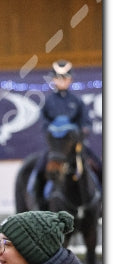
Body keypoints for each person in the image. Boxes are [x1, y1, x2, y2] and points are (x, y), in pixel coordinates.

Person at [28, 60, 102, 208]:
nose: (61, 81)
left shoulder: (76, 101)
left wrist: (79, 132)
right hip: (55, 148)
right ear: (53, 80)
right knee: (39, 169)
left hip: (75, 145)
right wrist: (53, 129)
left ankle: (100, 202)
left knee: (98, 165)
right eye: (58, 78)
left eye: (65, 78)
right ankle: (37, 201)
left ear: (70, 79)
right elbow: (43, 122)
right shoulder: (49, 101)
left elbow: (85, 122)